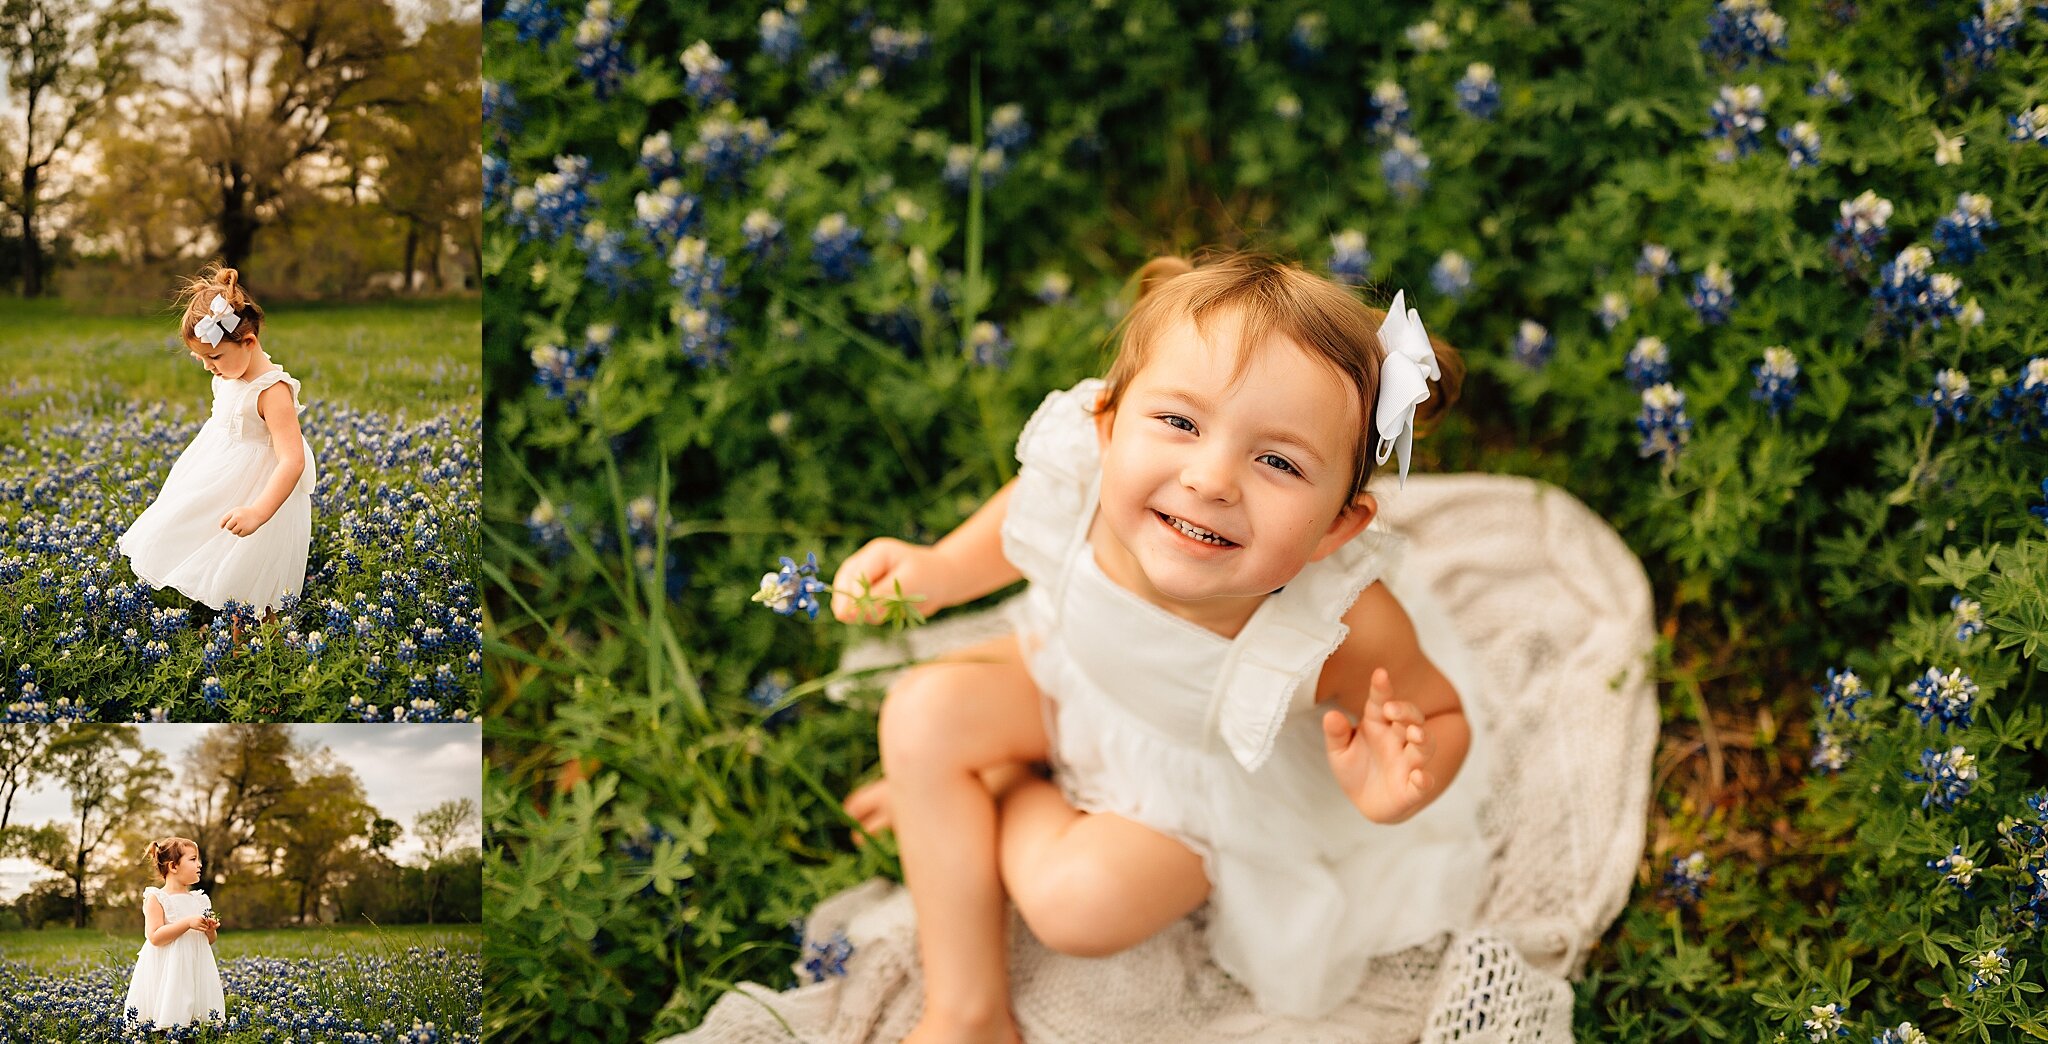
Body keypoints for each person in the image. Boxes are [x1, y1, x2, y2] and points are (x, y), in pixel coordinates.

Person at [831, 251, 1491, 1043]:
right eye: (1180, 423)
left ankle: (997, 788)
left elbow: (1440, 712)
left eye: (1278, 461)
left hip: (1198, 785)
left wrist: (1400, 789)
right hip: (1068, 675)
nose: (1211, 479)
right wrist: (937, 570)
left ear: (1338, 528)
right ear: (1104, 427)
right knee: (920, 713)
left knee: (1077, 906)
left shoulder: (1339, 628)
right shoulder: (1086, 475)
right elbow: (1022, 520)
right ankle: (967, 1010)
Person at [118, 264, 318, 622]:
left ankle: (258, 645)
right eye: (201, 358)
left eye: (214, 357)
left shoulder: (273, 392)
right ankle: (227, 626)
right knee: (212, 548)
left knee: (252, 567)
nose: (209, 367)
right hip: (220, 477)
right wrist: (216, 362)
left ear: (249, 342)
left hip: (262, 493)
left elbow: (292, 461)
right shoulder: (229, 372)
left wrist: (259, 511)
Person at [123, 836, 226, 1027]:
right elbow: (154, 937)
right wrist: (187, 922)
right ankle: (169, 1030)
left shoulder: (200, 900)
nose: (200, 864)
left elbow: (209, 941)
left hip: (195, 963)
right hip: (168, 968)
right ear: (173, 866)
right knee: (173, 1003)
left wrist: (210, 930)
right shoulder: (157, 898)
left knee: (193, 1005)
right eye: (193, 859)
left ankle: (191, 1031)